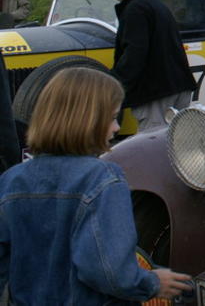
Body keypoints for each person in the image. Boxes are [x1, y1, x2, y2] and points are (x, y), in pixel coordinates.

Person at [0, 67, 192, 303]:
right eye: (112, 118)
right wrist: (152, 282)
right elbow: (110, 272)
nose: (117, 128)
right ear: (87, 121)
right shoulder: (103, 179)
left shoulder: (11, 180)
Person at [108, 0, 196, 132]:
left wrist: (115, 83)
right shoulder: (157, 5)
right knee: (177, 138)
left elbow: (135, 52)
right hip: (179, 84)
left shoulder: (135, 9)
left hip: (155, 91)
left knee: (152, 140)